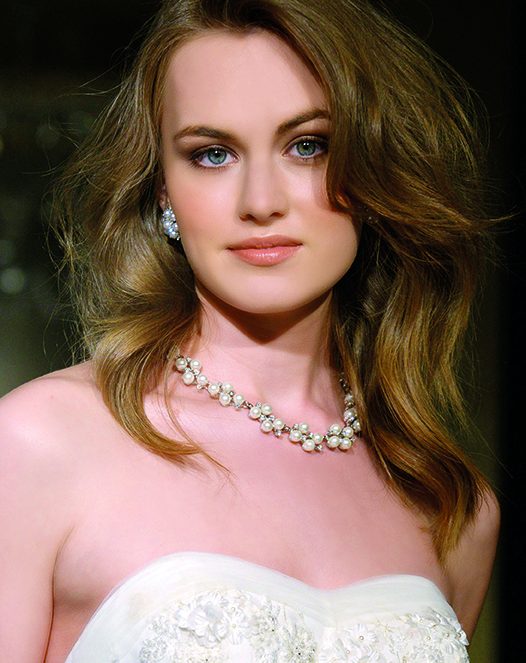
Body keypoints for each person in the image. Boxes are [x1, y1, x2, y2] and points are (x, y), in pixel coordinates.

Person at [0, 0, 500, 661]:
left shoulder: (453, 508)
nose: (261, 201)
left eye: (308, 146)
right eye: (212, 154)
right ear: (162, 191)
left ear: (373, 169)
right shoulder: (40, 443)